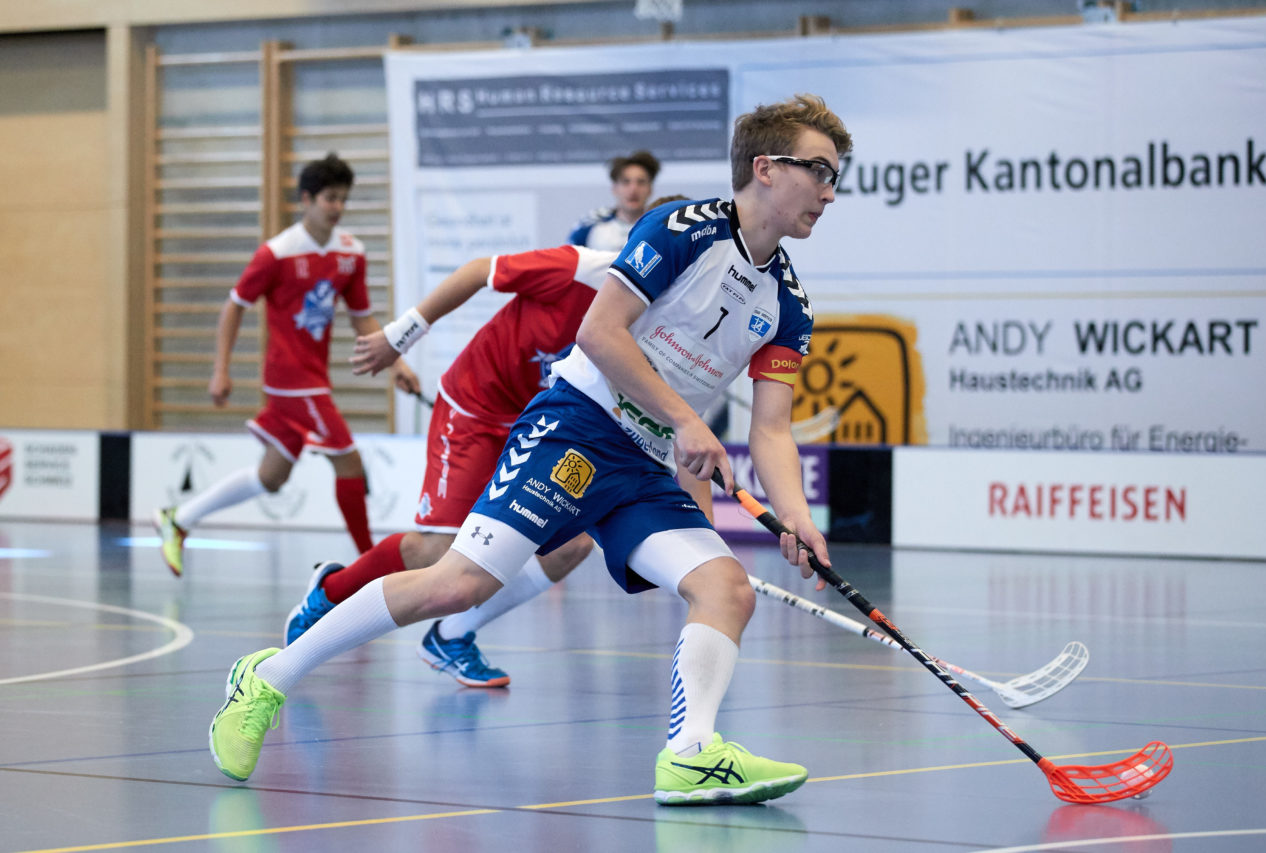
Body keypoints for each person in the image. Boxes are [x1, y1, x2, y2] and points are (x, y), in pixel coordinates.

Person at [209, 95, 852, 807]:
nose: (830, 189)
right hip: (573, 428)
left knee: (724, 587)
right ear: (765, 168)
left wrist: (797, 516)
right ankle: (267, 677)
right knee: (456, 583)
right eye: (820, 170)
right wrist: (686, 422)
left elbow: (770, 429)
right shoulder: (679, 228)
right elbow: (600, 334)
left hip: (640, 467)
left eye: (836, 174)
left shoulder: (789, 302)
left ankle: (691, 750)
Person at [285, 196, 693, 688]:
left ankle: (452, 636)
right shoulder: (579, 270)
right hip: (475, 408)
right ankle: (330, 593)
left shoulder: (669, 322)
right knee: (436, 550)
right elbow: (479, 271)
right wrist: (399, 336)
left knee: (571, 546)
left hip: (547, 423)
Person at [153, 153, 419, 576]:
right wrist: (221, 369)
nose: (337, 208)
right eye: (330, 198)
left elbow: (361, 315)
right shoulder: (276, 254)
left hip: (314, 378)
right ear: (306, 199)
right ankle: (372, 566)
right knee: (348, 461)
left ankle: (179, 518)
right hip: (289, 380)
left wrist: (395, 361)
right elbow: (234, 306)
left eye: (343, 200)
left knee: (271, 477)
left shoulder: (352, 253)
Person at [566, 150, 660, 251]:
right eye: (626, 182)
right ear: (614, 188)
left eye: (641, 182)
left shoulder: (660, 227)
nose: (633, 189)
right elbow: (568, 260)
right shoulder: (590, 223)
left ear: (650, 189)